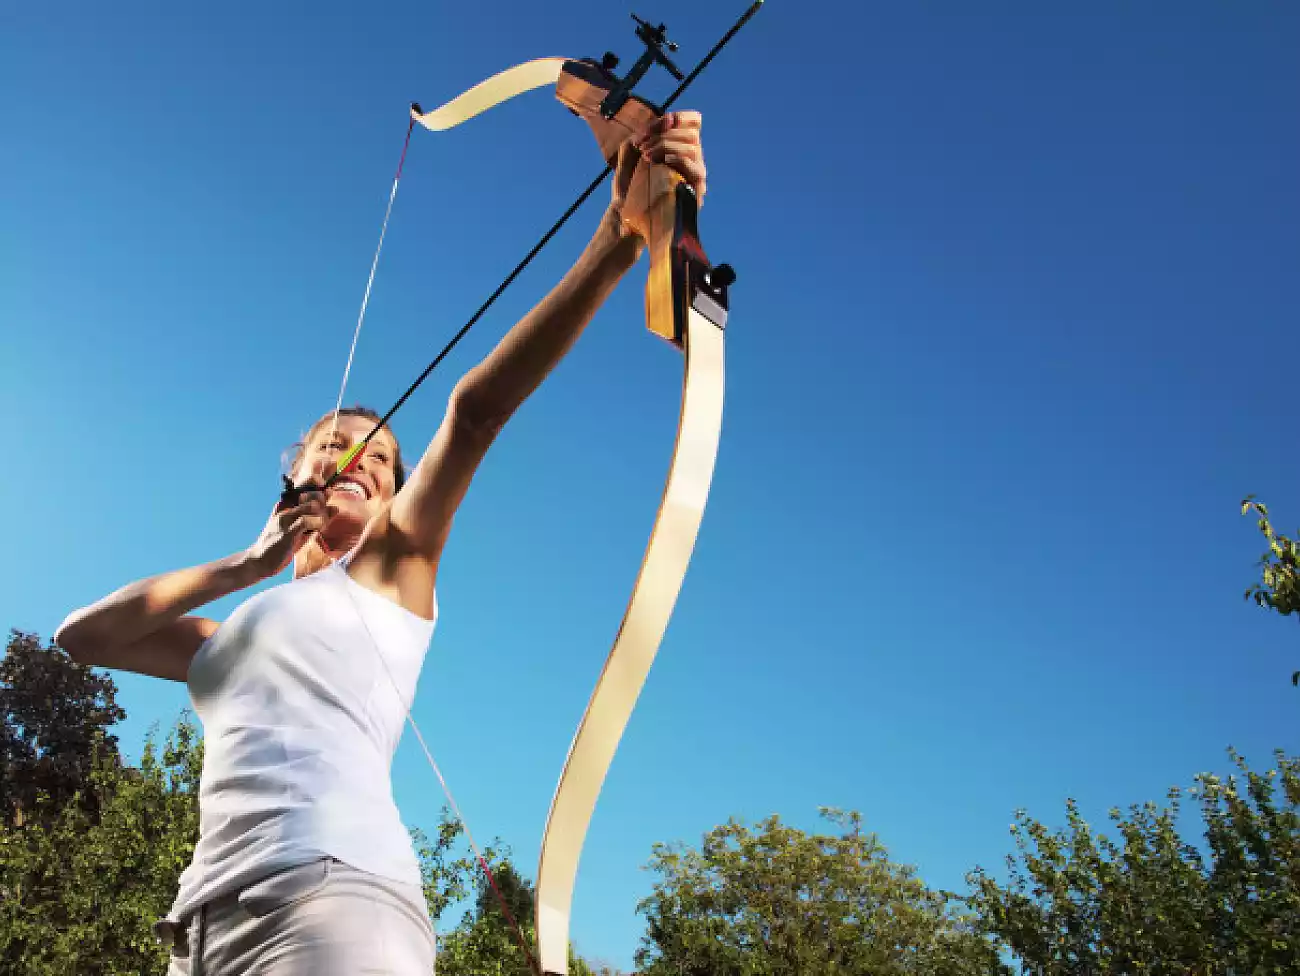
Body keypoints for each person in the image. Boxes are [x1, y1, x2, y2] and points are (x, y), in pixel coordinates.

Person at [55, 110, 709, 976]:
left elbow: (474, 414)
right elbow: (82, 637)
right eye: (333, 444)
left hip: (333, 898)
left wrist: (620, 241)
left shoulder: (392, 571)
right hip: (199, 932)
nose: (356, 457)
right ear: (294, 476)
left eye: (382, 460)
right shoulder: (222, 641)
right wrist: (247, 566)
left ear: (397, 498)